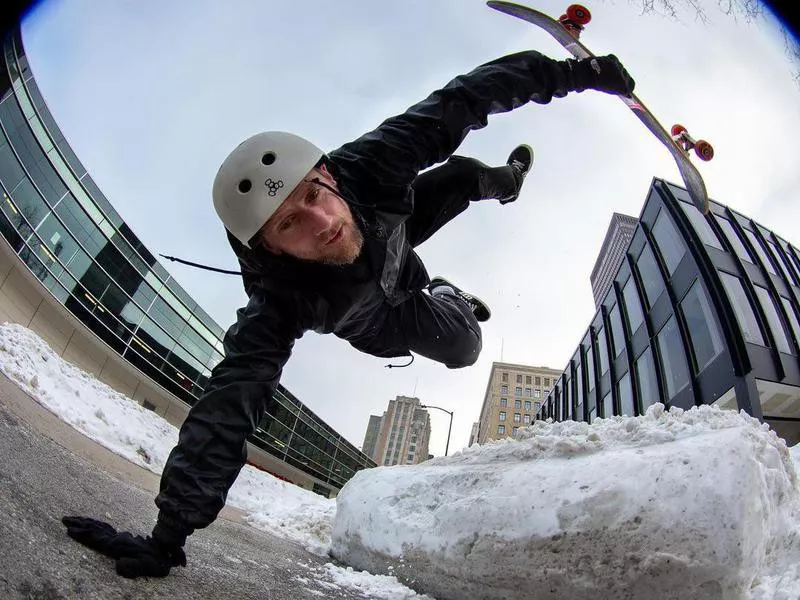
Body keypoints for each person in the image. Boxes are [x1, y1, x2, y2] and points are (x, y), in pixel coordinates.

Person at [62, 50, 634, 577]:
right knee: (465, 350)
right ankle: (451, 298)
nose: (321, 224)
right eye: (289, 226)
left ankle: (509, 183)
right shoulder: (278, 301)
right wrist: (168, 536)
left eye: (312, 197)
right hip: (384, 321)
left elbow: (466, 96)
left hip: (395, 232)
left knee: (462, 175)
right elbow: (229, 403)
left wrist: (575, 75)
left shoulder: (371, 163)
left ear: (327, 176)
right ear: (271, 249)